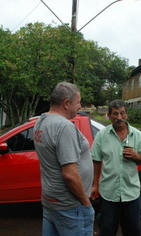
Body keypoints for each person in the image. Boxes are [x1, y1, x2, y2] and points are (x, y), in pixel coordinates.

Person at [33, 81, 94, 236]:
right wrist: (86, 204)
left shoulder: (41, 121)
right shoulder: (64, 127)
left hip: (50, 202)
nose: (80, 106)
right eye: (78, 102)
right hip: (70, 207)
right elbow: (69, 175)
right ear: (66, 103)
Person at [90, 100, 141, 236]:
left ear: (127, 115)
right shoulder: (102, 135)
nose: (119, 117)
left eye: (122, 113)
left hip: (131, 194)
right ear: (109, 115)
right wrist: (94, 184)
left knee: (132, 231)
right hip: (108, 193)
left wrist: (136, 155)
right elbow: (96, 160)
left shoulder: (137, 135)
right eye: (115, 114)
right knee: (107, 230)